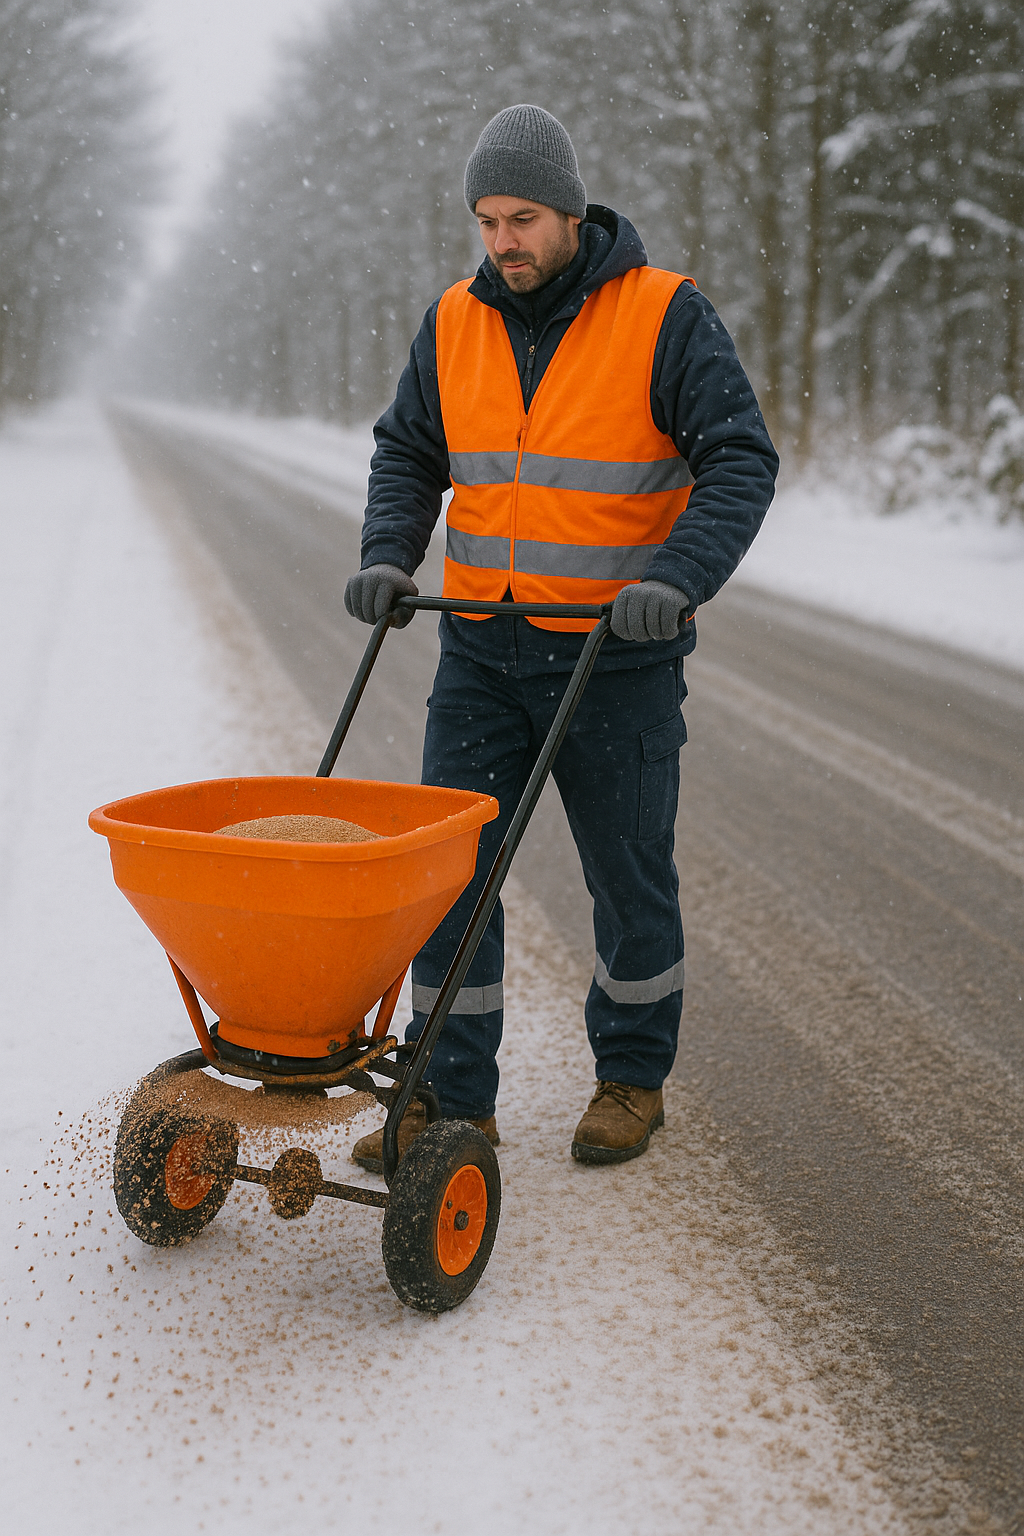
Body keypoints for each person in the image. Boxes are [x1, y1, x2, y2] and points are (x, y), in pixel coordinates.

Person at [345, 104, 778, 1170]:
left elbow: (738, 459)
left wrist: (674, 577)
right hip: (482, 654)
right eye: (488, 219)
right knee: (452, 878)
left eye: (523, 217)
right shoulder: (453, 320)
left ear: (570, 213)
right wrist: (390, 553)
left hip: (613, 656)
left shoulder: (663, 314)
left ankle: (631, 1079)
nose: (503, 241)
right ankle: (451, 1097)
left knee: (626, 878)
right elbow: (409, 452)